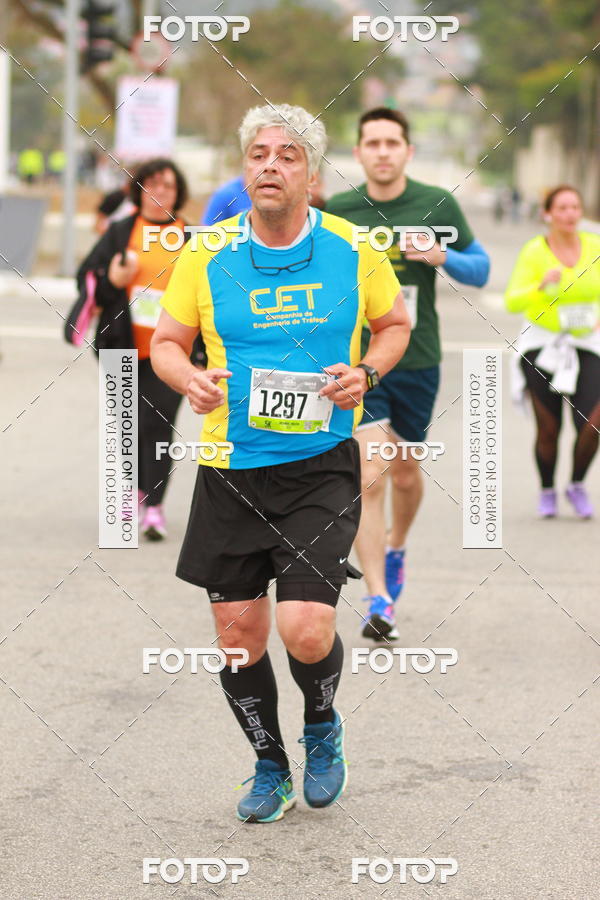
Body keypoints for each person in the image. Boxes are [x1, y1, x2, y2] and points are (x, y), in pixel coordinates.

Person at [151, 103, 410, 823]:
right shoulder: (206, 251)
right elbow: (167, 342)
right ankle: (270, 766)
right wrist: (188, 378)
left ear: (312, 173)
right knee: (238, 640)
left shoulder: (353, 248)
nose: (270, 165)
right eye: (259, 154)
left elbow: (394, 325)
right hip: (229, 468)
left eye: (288, 155)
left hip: (319, 464)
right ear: (245, 169)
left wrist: (367, 371)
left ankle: (321, 726)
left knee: (306, 628)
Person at [327, 107, 490, 642]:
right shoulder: (340, 210)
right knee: (369, 474)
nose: (382, 152)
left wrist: (442, 255)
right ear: (358, 153)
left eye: (391, 142)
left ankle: (396, 547)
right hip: (362, 363)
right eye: (372, 143)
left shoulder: (436, 203)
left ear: (407, 151)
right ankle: (379, 599)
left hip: (418, 359)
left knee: (403, 473)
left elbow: (482, 269)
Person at [76, 157, 197, 539]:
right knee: (127, 424)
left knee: (158, 423)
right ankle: (134, 492)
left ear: (178, 194)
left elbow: (210, 294)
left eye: (168, 185)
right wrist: (113, 279)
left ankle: (154, 505)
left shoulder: (191, 238)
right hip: (121, 345)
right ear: (139, 190)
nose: (160, 191)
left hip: (173, 351)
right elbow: (87, 279)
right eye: (152, 184)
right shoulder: (121, 232)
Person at [505, 184, 600, 519]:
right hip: (542, 344)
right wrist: (540, 285)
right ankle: (547, 489)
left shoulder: (594, 246)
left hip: (587, 343)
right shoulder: (534, 251)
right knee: (549, 429)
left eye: (575, 207)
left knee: (592, 423)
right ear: (547, 214)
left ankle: (576, 484)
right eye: (562, 208)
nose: (570, 214)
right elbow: (512, 301)